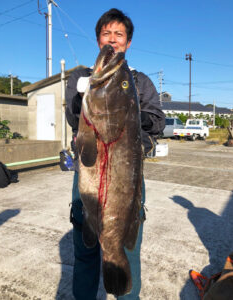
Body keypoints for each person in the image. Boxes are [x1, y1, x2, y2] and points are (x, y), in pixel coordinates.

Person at [65, 8, 165, 300]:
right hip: (89, 175)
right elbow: (74, 116)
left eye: (118, 34)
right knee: (85, 256)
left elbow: (157, 120)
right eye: (106, 33)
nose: (112, 39)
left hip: (128, 177)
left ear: (128, 42)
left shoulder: (139, 80)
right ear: (98, 39)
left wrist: (130, 113)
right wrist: (82, 96)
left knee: (125, 250)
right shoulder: (82, 76)